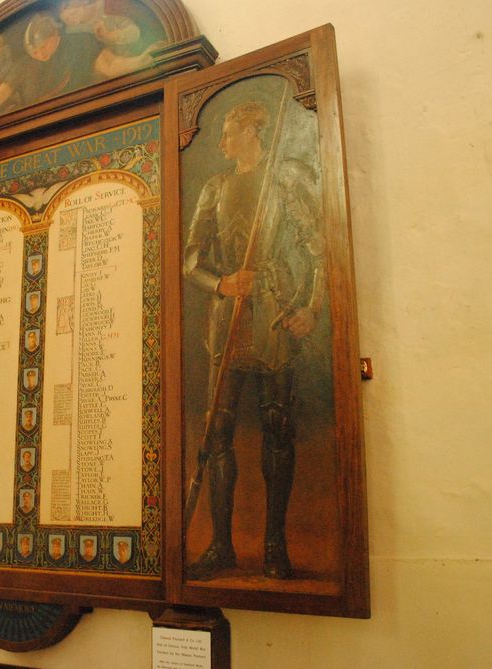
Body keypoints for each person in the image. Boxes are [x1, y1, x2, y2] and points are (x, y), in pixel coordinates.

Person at [183, 101, 325, 580]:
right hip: (227, 323)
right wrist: (222, 284)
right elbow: (191, 261)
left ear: (252, 130)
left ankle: (273, 546)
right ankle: (222, 545)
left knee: (277, 432)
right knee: (218, 433)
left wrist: (312, 307)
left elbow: (319, 248)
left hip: (275, 318)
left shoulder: (285, 178)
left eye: (229, 133)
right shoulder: (216, 188)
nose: (222, 144)